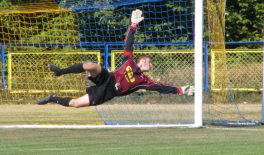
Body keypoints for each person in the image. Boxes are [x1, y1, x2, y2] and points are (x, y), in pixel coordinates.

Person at [36, 9, 194, 108]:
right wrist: (133, 25)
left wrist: (179, 90)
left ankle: (52, 98)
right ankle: (60, 72)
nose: (151, 65)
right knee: (91, 65)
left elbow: (160, 87)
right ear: (143, 60)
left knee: (76, 103)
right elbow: (129, 44)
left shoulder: (144, 81)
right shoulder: (129, 61)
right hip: (108, 77)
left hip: (109, 92)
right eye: (149, 62)